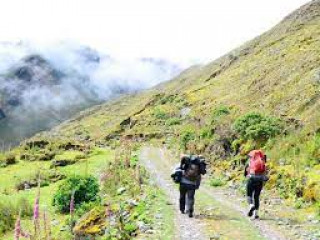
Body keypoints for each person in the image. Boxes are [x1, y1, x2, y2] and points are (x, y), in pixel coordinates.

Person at [244, 150, 268, 219]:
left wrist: (248, 174)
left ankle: (251, 205)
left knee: (249, 195)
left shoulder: (250, 163)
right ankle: (256, 214)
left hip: (251, 180)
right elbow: (265, 174)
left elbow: (245, 174)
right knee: (256, 197)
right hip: (260, 181)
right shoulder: (263, 163)